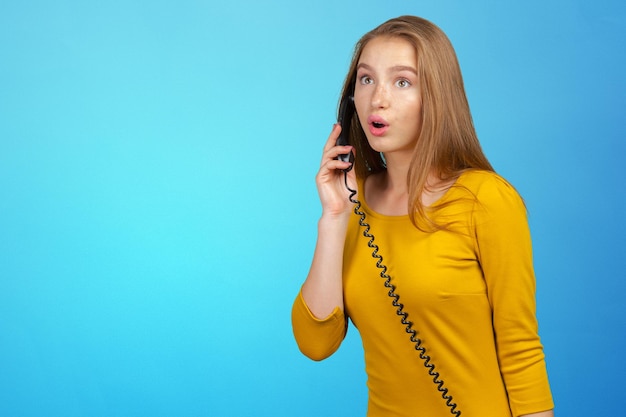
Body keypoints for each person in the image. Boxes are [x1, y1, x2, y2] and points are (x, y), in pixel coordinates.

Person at [291, 15, 554, 417]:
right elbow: (316, 343)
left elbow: (520, 351)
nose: (379, 99)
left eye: (402, 82)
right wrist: (333, 218)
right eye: (366, 80)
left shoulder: (486, 200)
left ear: (437, 96)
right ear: (351, 99)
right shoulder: (350, 202)